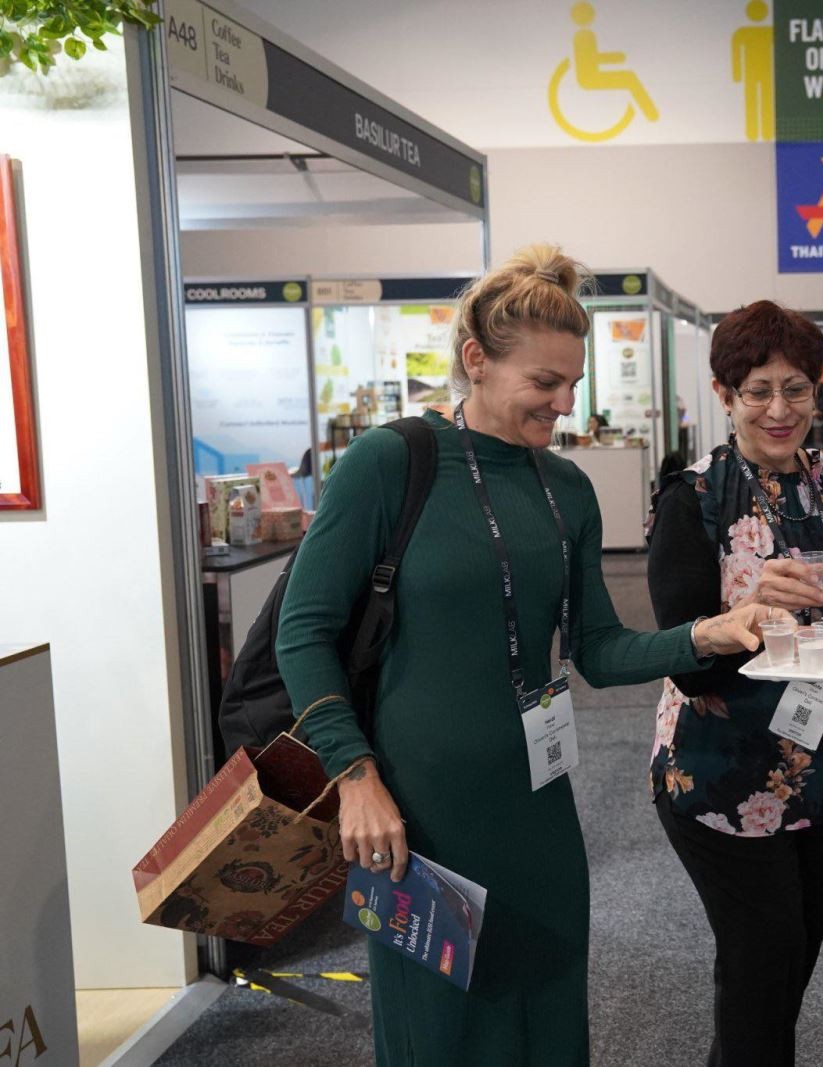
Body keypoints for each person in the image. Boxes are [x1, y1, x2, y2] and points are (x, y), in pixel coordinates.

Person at [275, 246, 776, 1066]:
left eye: (574, 384)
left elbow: (598, 650)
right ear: (477, 360)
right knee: (439, 1030)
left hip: (537, 805)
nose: (564, 403)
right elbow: (304, 629)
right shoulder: (391, 463)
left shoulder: (567, 488)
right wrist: (354, 778)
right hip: (416, 809)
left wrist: (704, 635)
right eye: (545, 383)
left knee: (544, 1016)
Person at [645, 299, 823, 1067]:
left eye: (796, 388)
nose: (779, 408)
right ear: (725, 393)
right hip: (724, 772)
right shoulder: (693, 498)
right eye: (758, 389)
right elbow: (680, 656)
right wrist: (750, 610)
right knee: (764, 960)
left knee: (786, 965)